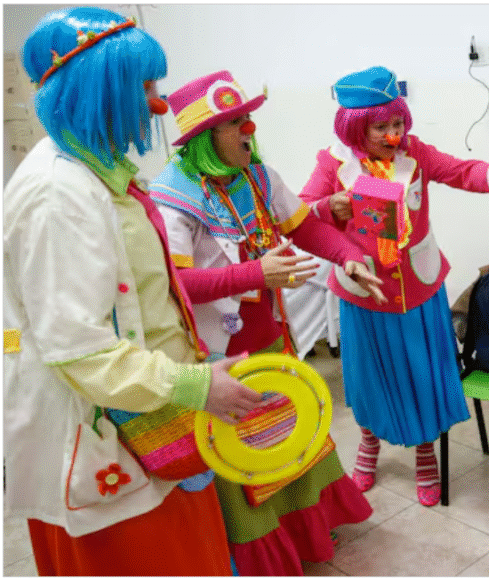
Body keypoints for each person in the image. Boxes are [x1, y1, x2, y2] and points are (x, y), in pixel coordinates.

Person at [3, 7, 264, 575]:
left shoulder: (104, 170)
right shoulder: (57, 196)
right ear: (99, 90)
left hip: (157, 419)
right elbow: (80, 349)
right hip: (105, 439)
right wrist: (194, 384)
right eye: (144, 86)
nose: (158, 104)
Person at [299, 66, 489, 506]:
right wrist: (331, 206)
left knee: (424, 375)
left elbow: (460, 171)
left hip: (417, 291)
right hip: (363, 292)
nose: (392, 134)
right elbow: (303, 211)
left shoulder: (414, 153)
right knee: (368, 379)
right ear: (354, 127)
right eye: (380, 126)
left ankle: (426, 454)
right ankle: (369, 444)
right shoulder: (332, 163)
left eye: (397, 123)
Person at [148, 70, 377, 576]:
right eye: (234, 122)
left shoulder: (261, 176)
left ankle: (308, 533)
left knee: (290, 435)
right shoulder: (172, 197)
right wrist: (258, 272)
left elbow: (308, 228)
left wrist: (349, 258)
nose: (249, 129)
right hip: (220, 355)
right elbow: (177, 285)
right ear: (205, 136)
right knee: (244, 454)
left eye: (248, 117)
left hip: (273, 337)